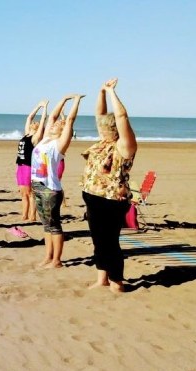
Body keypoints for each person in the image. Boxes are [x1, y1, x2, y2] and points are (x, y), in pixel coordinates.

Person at [82, 78, 136, 292]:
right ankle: (101, 279)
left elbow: (122, 116)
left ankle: (117, 282)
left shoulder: (125, 145)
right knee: (98, 241)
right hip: (93, 197)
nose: (100, 127)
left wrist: (112, 92)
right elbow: (99, 114)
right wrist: (101, 92)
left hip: (112, 201)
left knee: (110, 243)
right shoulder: (103, 141)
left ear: (114, 128)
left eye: (105, 126)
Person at [31, 93, 84, 269]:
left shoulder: (59, 144)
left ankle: (57, 260)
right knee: (46, 225)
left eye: (57, 125)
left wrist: (76, 101)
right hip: (37, 186)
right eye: (53, 125)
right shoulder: (46, 139)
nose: (54, 125)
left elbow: (69, 120)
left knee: (54, 225)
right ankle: (48, 256)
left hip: (50, 188)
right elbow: (53, 116)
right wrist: (64, 99)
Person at [16, 100, 48, 222]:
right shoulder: (27, 134)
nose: (34, 122)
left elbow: (43, 121)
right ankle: (24, 215)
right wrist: (38, 106)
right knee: (23, 193)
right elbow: (30, 117)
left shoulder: (35, 138)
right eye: (34, 122)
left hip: (29, 167)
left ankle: (32, 215)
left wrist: (45, 109)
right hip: (20, 167)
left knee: (31, 194)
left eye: (37, 123)